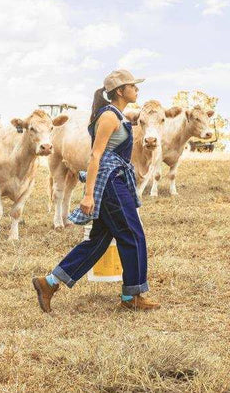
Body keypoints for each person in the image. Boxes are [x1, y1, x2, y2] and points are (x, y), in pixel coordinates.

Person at [32, 69, 160, 312]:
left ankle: (49, 283)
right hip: (111, 183)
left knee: (99, 240)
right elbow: (95, 155)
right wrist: (89, 194)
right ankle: (132, 296)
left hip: (115, 180)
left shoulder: (118, 116)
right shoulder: (109, 117)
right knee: (133, 235)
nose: (137, 89)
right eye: (133, 86)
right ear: (120, 91)